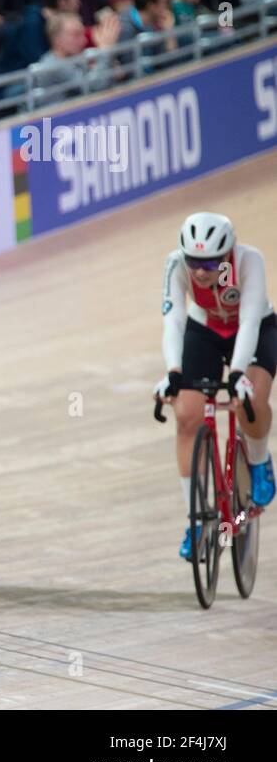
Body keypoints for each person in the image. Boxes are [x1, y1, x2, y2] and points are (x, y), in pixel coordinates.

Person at [156, 212, 276, 559]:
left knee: (251, 399)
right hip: (206, 330)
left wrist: (238, 373)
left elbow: (251, 319)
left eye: (210, 263)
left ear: (228, 255)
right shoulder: (176, 264)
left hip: (253, 329)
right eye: (194, 262)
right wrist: (174, 371)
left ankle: (257, 460)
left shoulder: (249, 260)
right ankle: (195, 521)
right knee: (187, 416)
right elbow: (174, 321)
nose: (201, 272)